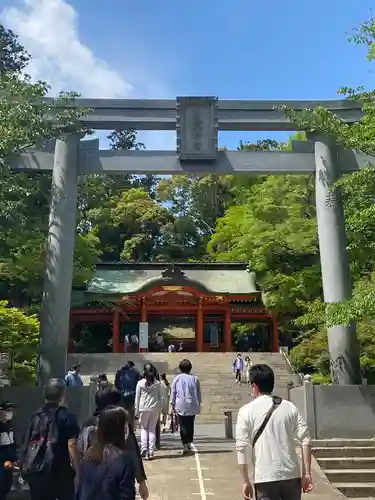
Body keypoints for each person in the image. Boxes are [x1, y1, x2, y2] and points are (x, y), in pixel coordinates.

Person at [236, 364, 313, 500]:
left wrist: (245, 481)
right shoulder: (289, 407)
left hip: (265, 477)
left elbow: (241, 448)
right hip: (291, 476)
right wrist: (306, 473)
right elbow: (305, 439)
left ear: (254, 386)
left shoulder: (246, 411)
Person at [79, 384, 149, 500]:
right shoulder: (119, 422)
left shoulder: (88, 424)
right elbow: (133, 450)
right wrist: (141, 481)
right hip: (115, 476)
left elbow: (80, 448)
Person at [20, 378, 81, 500]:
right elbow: (72, 445)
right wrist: (78, 471)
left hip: (36, 472)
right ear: (62, 395)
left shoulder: (34, 417)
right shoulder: (67, 417)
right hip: (60, 473)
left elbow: (25, 443)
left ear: (44, 395)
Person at [76, 406, 135, 500]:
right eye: (125, 424)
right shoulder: (124, 460)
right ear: (119, 428)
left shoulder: (89, 454)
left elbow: (79, 490)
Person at [171, 359, 201, 455]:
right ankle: (190, 442)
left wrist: (172, 403)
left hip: (181, 404)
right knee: (190, 424)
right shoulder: (195, 378)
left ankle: (185, 445)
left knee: (183, 425)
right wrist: (199, 402)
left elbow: (173, 391)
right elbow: (198, 392)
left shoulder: (177, 378)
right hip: (192, 404)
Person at [134, 364, 162, 460]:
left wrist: (136, 410)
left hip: (143, 408)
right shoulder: (158, 383)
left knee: (144, 429)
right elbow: (160, 397)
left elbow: (137, 398)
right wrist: (160, 408)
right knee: (152, 429)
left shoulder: (140, 383)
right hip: (154, 408)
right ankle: (150, 450)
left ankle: (144, 448)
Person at [115, 361, 141, 428]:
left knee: (122, 414)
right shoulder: (136, 372)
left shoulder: (120, 372)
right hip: (132, 396)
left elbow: (116, 384)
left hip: (121, 395)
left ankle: (122, 429)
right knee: (130, 414)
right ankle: (130, 430)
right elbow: (138, 383)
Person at [0, 401, 18, 500]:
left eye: (11, 410)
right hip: (2, 465)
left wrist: (14, 459)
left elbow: (12, 445)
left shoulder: (10, 426)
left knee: (6, 488)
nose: (10, 413)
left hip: (9, 466)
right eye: (7, 410)